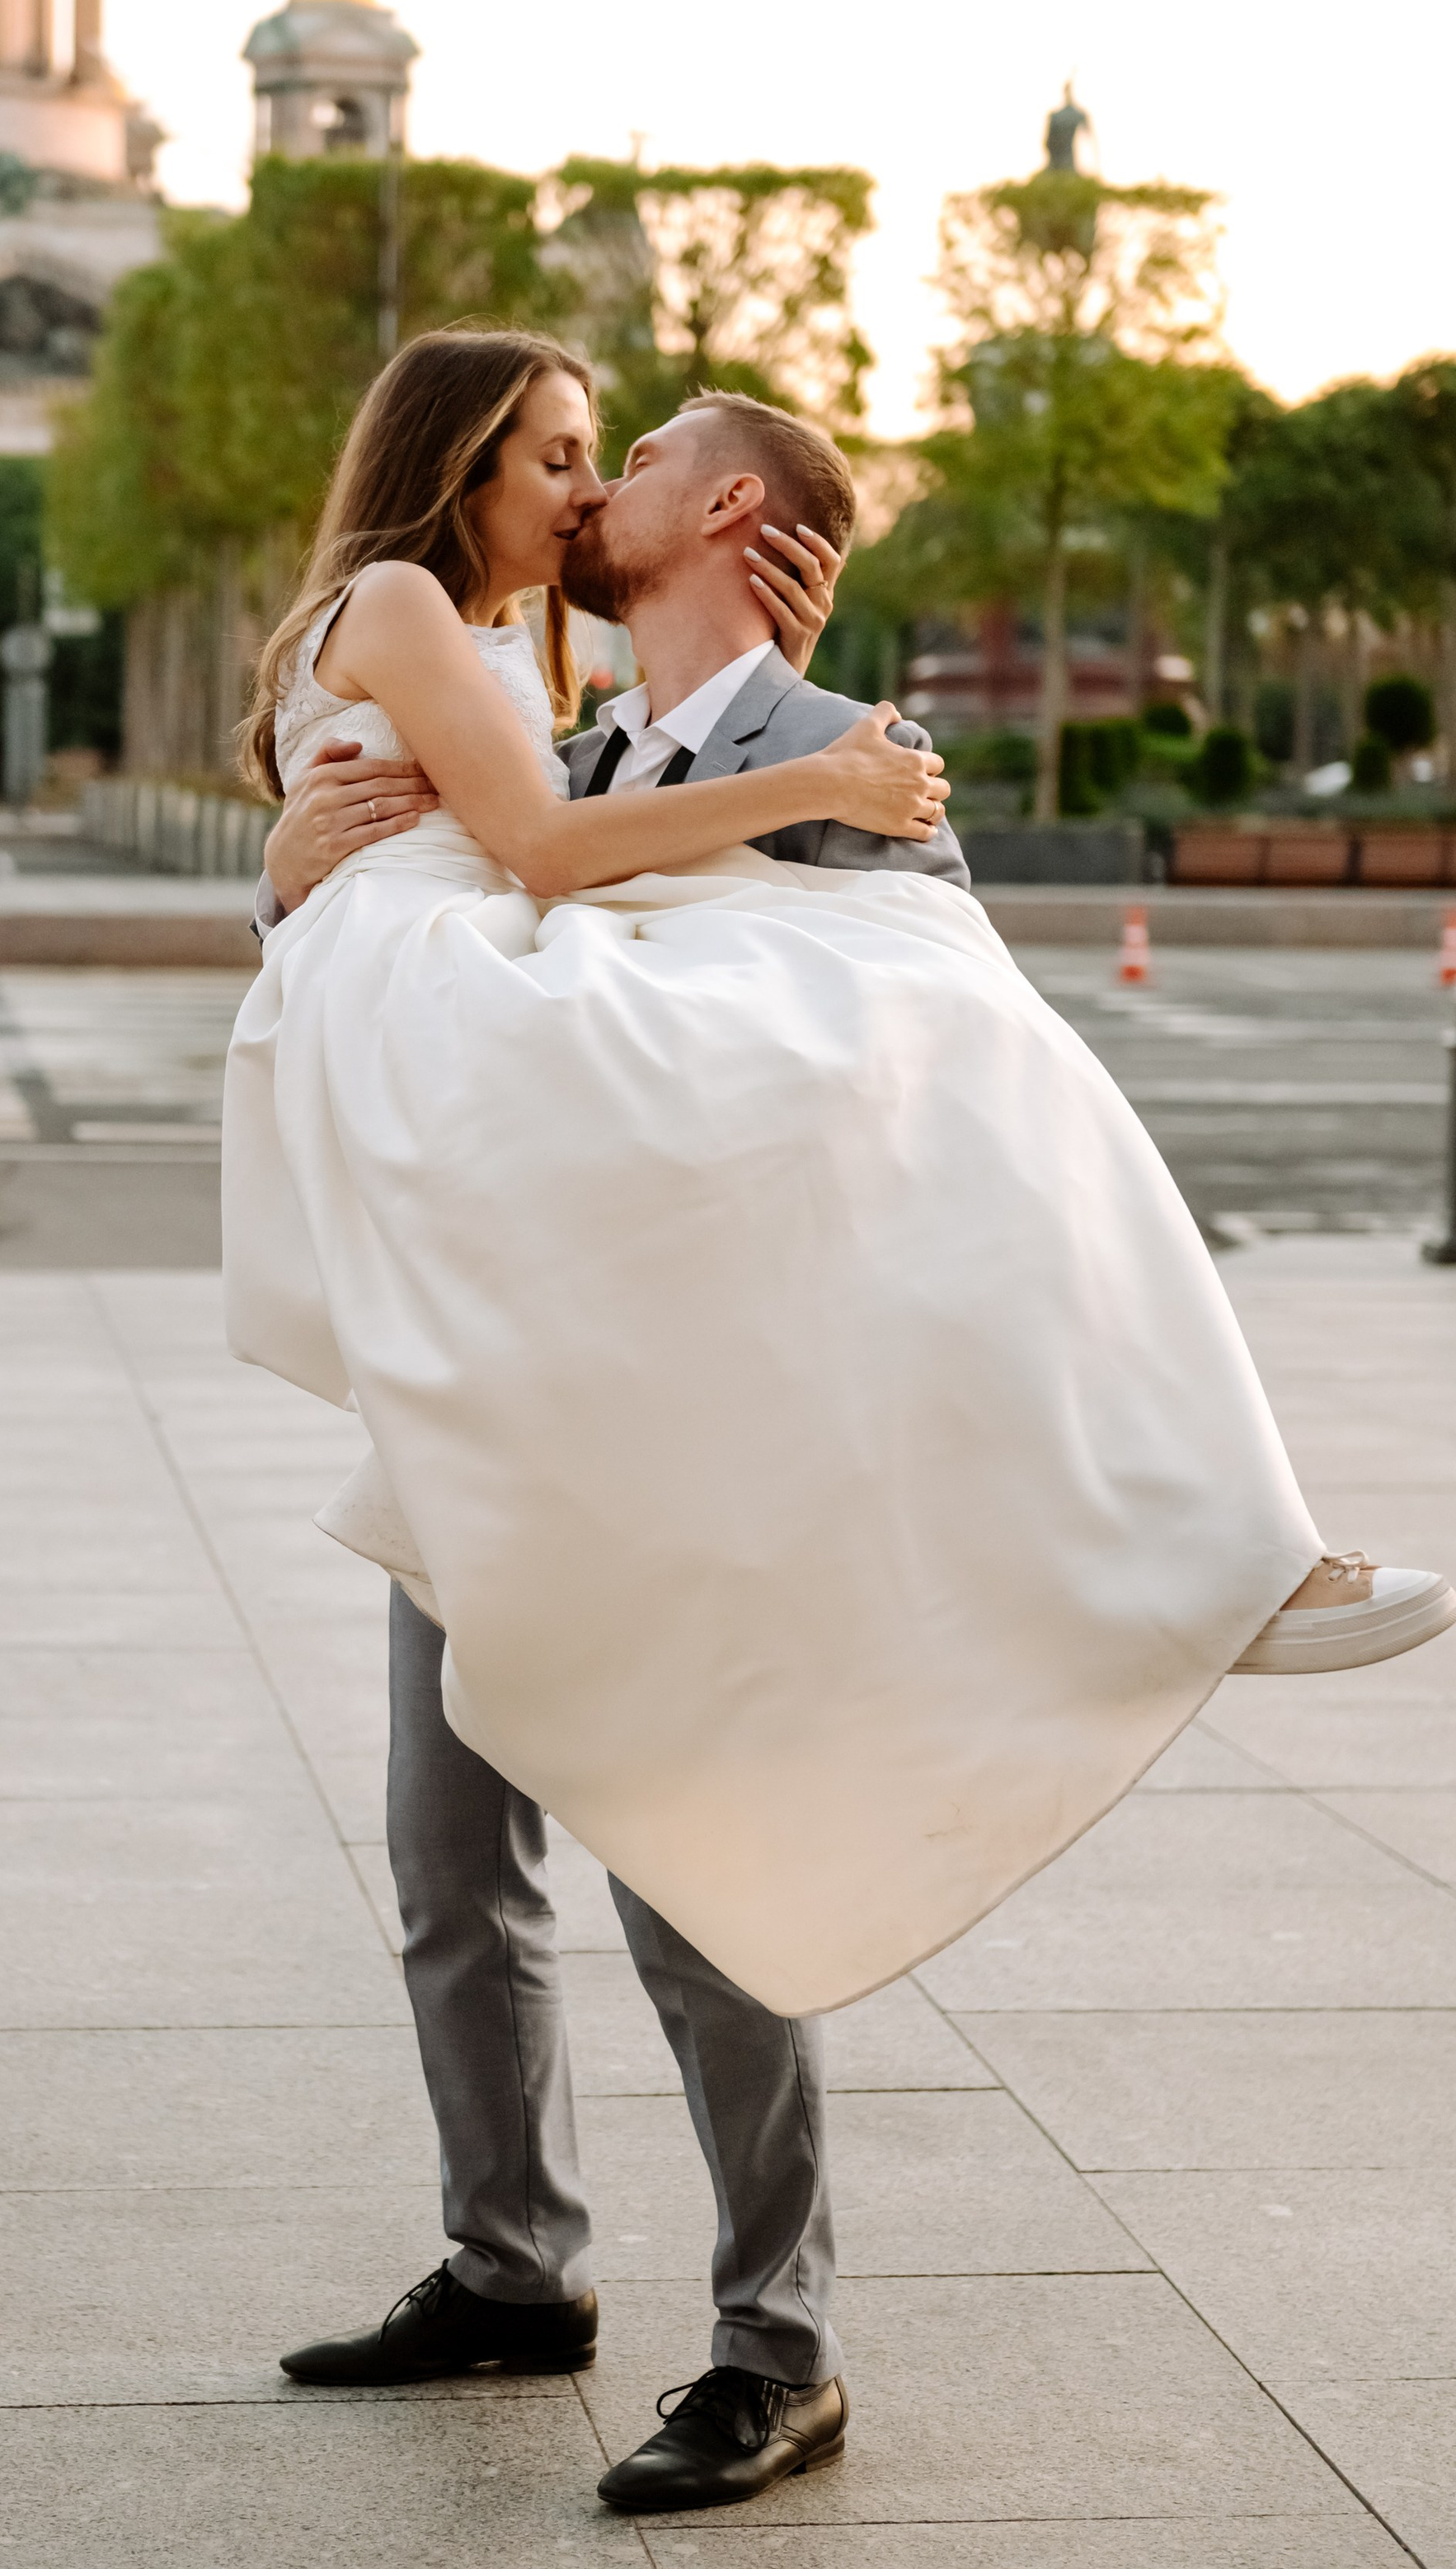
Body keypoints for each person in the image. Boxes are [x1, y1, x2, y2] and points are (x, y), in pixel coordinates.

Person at [224, 329, 1454, 2517]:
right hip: (514, 1364)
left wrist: (828, 781)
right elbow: (446, 881)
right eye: (559, 459)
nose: (582, 496)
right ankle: (513, 2262)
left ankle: (777, 2343)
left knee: (698, 1854)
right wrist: (295, 865)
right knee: (447, 1850)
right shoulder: (556, 711)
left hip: (709, 1402)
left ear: (712, 513)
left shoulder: (836, 740)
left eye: (626, 464)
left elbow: (930, 1036)